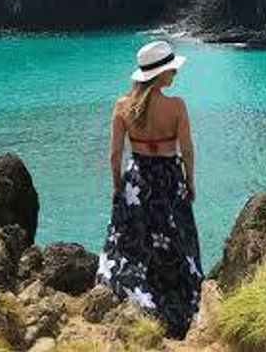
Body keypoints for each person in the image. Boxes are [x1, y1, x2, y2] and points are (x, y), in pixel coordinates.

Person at [97, 39, 203, 338]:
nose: (175, 74)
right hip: (169, 179)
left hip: (137, 181)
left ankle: (138, 294)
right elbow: (188, 150)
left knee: (136, 241)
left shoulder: (122, 106)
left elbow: (115, 154)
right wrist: (190, 181)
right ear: (159, 75)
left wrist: (118, 186)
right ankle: (180, 296)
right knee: (174, 238)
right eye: (171, 70)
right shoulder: (177, 106)